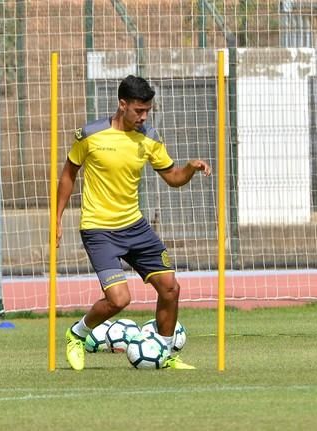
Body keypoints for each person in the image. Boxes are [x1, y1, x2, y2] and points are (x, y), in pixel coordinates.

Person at [56, 75, 211, 369]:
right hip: (98, 228)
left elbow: (172, 178)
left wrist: (189, 168)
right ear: (122, 104)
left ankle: (164, 353)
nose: (143, 116)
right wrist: (57, 219)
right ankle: (77, 334)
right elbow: (68, 176)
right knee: (118, 299)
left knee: (170, 288)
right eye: (138, 110)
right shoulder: (89, 135)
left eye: (147, 111)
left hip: (135, 227)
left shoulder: (149, 137)